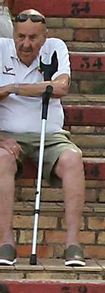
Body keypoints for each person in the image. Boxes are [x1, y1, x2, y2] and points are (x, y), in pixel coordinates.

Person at [0, 13, 83, 264]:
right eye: (20, 37)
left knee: (73, 159)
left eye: (33, 38)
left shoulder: (55, 48)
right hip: (8, 135)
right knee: (1, 159)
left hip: (50, 134)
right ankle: (5, 242)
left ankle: (73, 244)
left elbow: (60, 87)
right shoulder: (0, 49)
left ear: (44, 37)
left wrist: (13, 88)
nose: (25, 44)